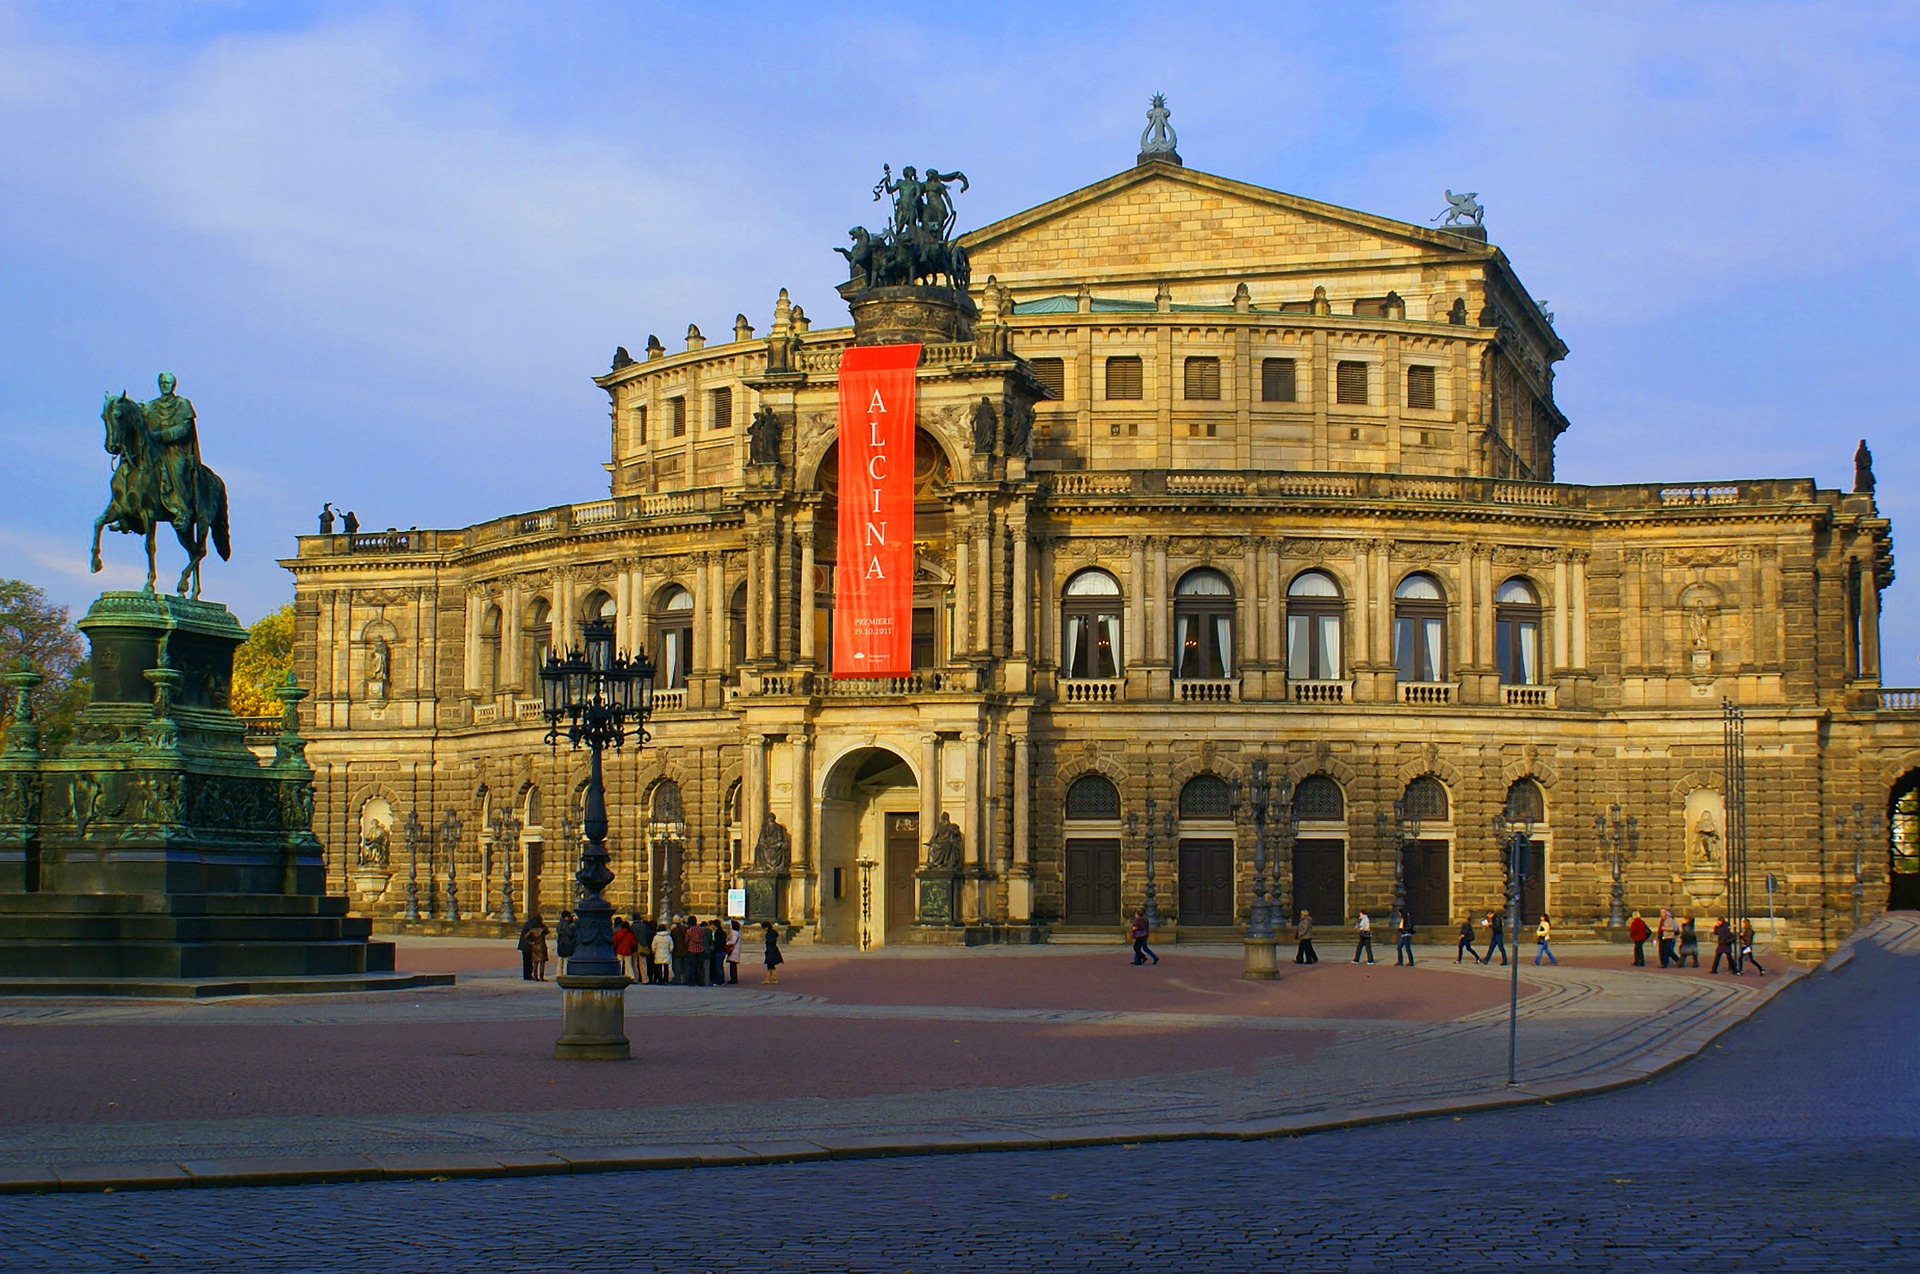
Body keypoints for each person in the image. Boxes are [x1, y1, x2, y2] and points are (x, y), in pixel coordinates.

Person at [611, 917, 638, 981]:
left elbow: (614, 941)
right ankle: (631, 976)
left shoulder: (618, 933)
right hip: (628, 951)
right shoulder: (630, 934)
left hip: (619, 950)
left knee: (620, 964)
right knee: (628, 965)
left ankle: (619, 975)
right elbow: (633, 943)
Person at [685, 914, 708, 986]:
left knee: (692, 966)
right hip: (700, 949)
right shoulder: (700, 929)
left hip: (692, 950)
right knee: (701, 966)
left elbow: (686, 940)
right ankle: (701, 981)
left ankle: (692, 981)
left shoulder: (689, 931)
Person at [555, 908, 579, 973]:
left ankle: (559, 974)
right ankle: (565, 973)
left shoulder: (559, 923)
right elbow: (569, 933)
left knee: (560, 960)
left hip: (560, 943)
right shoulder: (566, 924)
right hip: (566, 943)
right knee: (566, 960)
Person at [528, 915, 551, 981]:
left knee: (535, 962)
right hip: (541, 945)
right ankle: (541, 976)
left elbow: (525, 937)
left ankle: (535, 976)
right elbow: (547, 931)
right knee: (542, 962)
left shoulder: (532, 930)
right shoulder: (543, 929)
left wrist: (531, 942)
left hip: (535, 946)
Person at [762, 920, 784, 985]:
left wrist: (768, 941)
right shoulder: (772, 932)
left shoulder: (770, 933)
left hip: (771, 950)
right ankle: (769, 979)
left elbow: (771, 941)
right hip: (771, 950)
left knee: (770, 965)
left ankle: (772, 979)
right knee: (770, 965)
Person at [708, 917, 727, 987]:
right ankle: (721, 980)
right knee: (720, 966)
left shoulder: (717, 933)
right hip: (723, 951)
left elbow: (717, 943)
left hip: (718, 951)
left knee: (718, 966)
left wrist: (713, 947)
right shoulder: (723, 932)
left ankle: (720, 981)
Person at [726, 919, 744, 984]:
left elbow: (732, 941)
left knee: (732, 966)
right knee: (733, 966)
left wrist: (727, 943)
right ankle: (734, 978)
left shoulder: (734, 933)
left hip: (733, 950)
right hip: (736, 950)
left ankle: (733, 979)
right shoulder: (738, 932)